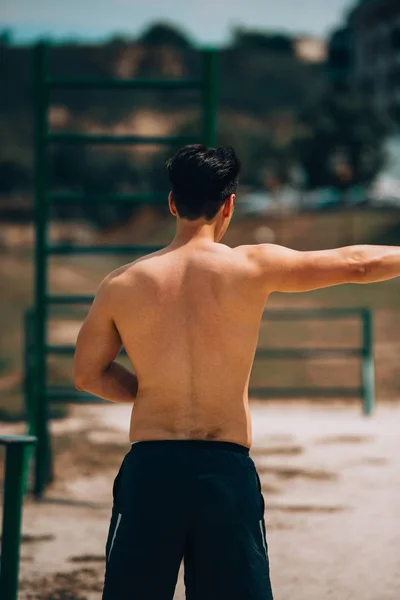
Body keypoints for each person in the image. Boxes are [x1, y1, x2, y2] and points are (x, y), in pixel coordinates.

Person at [73, 144, 400, 600]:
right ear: (229, 204)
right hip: (224, 470)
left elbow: (88, 374)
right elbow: (358, 264)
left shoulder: (122, 283)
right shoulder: (250, 266)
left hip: (151, 469)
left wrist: (149, 391)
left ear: (172, 203)